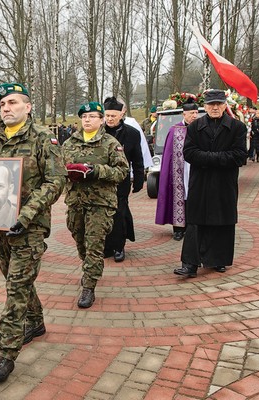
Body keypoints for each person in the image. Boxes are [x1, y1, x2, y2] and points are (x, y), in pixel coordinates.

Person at [0, 82, 65, 382]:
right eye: (2, 105)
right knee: (16, 279)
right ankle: (36, 321)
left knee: (15, 290)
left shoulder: (43, 138)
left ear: (27, 107)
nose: (5, 108)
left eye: (11, 103)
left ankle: (4, 354)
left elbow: (55, 181)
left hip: (29, 228)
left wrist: (27, 213)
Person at [173, 89, 247, 278]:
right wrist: (219, 158)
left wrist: (207, 159)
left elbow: (239, 156)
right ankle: (190, 264)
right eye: (211, 104)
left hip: (224, 183)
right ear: (204, 106)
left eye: (218, 104)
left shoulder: (237, 127)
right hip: (201, 182)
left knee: (223, 220)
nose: (215, 107)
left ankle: (218, 260)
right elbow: (189, 153)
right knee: (196, 222)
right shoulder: (195, 127)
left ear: (224, 105)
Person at [62, 101, 128, 308]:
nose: (87, 120)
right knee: (80, 241)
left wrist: (97, 171)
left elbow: (122, 172)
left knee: (94, 246)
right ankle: (89, 268)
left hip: (101, 204)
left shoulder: (110, 143)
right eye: (84, 117)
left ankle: (88, 287)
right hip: (75, 202)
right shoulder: (69, 144)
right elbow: (57, 170)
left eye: (92, 116)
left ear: (101, 120)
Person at [102, 96, 145, 263]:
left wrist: (139, 179)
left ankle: (119, 246)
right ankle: (106, 246)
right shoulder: (99, 132)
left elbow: (137, 158)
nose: (110, 119)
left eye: (114, 115)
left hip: (122, 181)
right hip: (102, 180)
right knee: (103, 213)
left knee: (119, 213)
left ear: (122, 114)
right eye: (107, 115)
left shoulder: (132, 134)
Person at [155, 98, 199, 241]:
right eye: (191, 113)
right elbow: (168, 154)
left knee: (194, 197)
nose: (194, 116)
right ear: (184, 114)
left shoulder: (201, 128)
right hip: (179, 170)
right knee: (179, 196)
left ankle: (194, 227)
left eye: (196, 112)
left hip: (197, 169)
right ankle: (178, 229)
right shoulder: (175, 130)